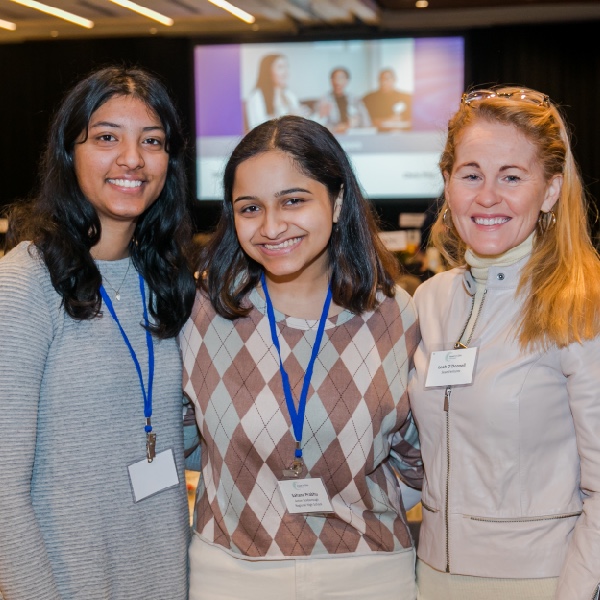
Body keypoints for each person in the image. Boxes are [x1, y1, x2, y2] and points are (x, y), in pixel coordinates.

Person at [180, 115, 423, 600]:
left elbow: (417, 457)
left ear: (336, 202)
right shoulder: (203, 313)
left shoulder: (395, 314)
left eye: (293, 200)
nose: (272, 227)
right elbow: (183, 437)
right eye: (250, 208)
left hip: (369, 575)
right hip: (231, 576)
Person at [0, 65, 196, 599]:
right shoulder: (25, 283)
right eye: (107, 138)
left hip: (163, 577)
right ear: (70, 153)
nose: (132, 159)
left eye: (151, 141)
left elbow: (169, 434)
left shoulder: (166, 281)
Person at [407, 85, 600, 600]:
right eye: (471, 175)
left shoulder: (582, 305)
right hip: (433, 580)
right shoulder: (430, 301)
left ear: (551, 190)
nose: (487, 196)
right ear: (448, 183)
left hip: (541, 582)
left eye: (511, 177)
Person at [245, 54, 306, 130]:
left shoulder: (288, 94)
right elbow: (256, 129)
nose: (286, 72)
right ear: (268, 71)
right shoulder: (256, 96)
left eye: (287, 66)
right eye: (280, 67)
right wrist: (288, 116)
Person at [315, 67, 371, 133]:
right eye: (335, 78)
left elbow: (367, 123)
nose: (337, 82)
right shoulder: (323, 100)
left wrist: (352, 125)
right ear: (331, 81)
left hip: (354, 135)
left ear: (347, 81)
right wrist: (335, 128)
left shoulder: (355, 99)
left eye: (341, 78)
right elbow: (317, 125)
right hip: (333, 136)